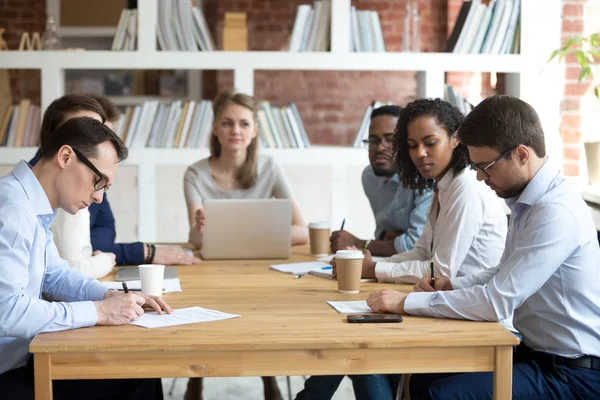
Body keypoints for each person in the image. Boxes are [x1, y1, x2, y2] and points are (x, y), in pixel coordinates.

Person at [366, 95, 600, 399]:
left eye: (485, 166)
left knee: (440, 394)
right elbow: (503, 271)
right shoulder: (526, 202)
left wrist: (403, 303)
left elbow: (497, 302)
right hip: (534, 353)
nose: (479, 176)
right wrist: (451, 285)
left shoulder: (555, 212)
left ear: (521, 155)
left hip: (573, 373)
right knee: (424, 378)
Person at [296, 98, 508, 400]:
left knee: (359, 346)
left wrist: (376, 269)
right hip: (440, 300)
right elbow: (421, 252)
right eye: (411, 145)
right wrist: (369, 265)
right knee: (351, 333)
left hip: (467, 310)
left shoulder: (464, 188)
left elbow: (439, 270)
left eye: (429, 143)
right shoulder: (442, 185)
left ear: (455, 138)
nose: (419, 154)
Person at [0, 116, 172, 400]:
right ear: (66, 156)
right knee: (137, 374)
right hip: (8, 374)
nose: (99, 198)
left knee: (140, 370)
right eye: (98, 181)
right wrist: (99, 312)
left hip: (21, 360)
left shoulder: (30, 205)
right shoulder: (13, 210)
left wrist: (109, 295)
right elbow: (6, 311)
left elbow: (55, 276)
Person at [183, 89, 308, 400]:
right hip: (213, 267)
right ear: (214, 127)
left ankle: (269, 377)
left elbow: (302, 231)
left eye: (243, 124)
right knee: (200, 305)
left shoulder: (270, 167)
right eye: (227, 123)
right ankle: (195, 377)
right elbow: (196, 240)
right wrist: (201, 231)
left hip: (262, 266)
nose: (235, 131)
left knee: (264, 307)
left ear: (254, 131)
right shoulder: (195, 174)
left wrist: (251, 233)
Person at [31, 94, 199, 268]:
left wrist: (93, 255)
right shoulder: (50, 191)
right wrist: (138, 253)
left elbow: (107, 229)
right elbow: (71, 265)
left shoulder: (87, 183)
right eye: (82, 129)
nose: (95, 142)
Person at [329, 105, 432, 257]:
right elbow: (382, 231)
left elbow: (415, 245)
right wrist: (385, 236)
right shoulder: (369, 177)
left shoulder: (424, 177)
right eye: (373, 140)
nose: (379, 148)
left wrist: (357, 243)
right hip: (392, 263)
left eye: (390, 139)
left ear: (406, 143)